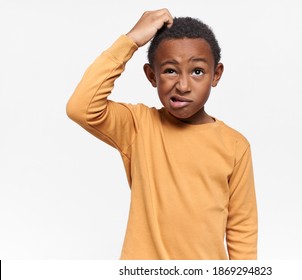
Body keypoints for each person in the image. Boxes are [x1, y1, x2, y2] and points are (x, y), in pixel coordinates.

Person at [66, 8, 257, 260]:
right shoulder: (139, 126)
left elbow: (242, 227)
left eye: (197, 71)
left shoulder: (235, 145)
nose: (183, 85)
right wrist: (131, 41)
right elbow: (81, 107)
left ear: (216, 74)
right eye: (170, 71)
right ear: (151, 75)